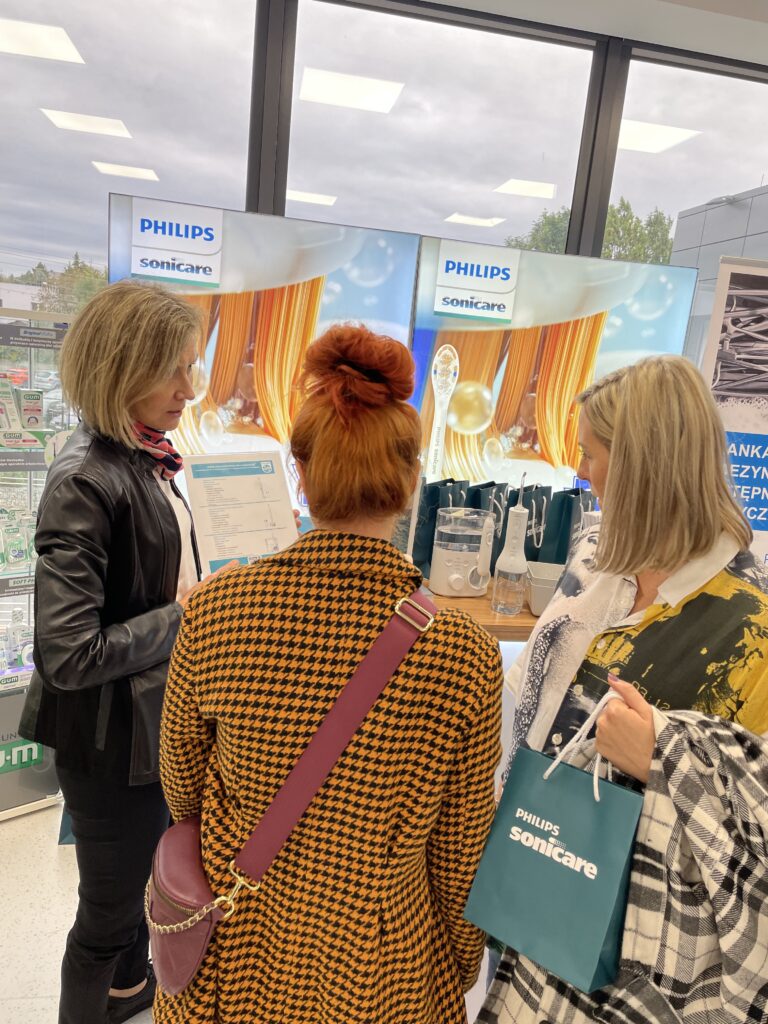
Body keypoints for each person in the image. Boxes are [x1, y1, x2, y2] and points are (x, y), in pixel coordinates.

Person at [154, 324, 503, 1024]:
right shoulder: (464, 653)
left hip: (236, 945)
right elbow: (461, 855)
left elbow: (182, 786)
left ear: (301, 473)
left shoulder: (218, 610)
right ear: (410, 481)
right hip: (382, 964)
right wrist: (453, 964)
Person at [480, 354, 768, 1022]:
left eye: (592, 453)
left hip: (628, 951)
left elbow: (751, 822)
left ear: (643, 466)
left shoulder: (747, 626)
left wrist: (665, 754)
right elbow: (531, 699)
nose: (581, 471)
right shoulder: (596, 558)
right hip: (527, 874)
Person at [18, 280, 224, 1024]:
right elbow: (69, 653)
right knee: (106, 917)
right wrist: (184, 615)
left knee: (142, 893)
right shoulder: (85, 478)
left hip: (152, 725)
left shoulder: (143, 457)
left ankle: (129, 994)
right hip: (109, 743)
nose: (189, 390)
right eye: (173, 370)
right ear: (120, 368)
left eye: (191, 367)